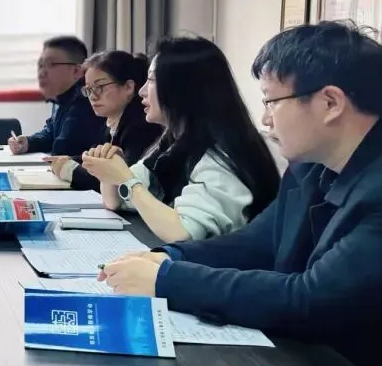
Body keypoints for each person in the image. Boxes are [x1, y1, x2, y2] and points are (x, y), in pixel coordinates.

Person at [99, 22, 382, 366]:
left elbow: (313, 300)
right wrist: (169, 257)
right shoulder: (313, 161)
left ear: (331, 103)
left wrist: (169, 280)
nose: (265, 120)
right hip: (321, 362)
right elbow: (259, 242)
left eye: (271, 102)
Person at [81, 37, 279, 242]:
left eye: (151, 80)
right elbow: (116, 202)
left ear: (182, 89)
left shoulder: (221, 154)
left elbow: (184, 232)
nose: (142, 91)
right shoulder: (174, 142)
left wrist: (126, 180)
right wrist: (111, 172)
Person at [45, 50, 162, 191]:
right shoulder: (111, 122)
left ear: (128, 87)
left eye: (99, 87)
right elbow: (97, 160)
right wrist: (70, 160)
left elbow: (123, 183)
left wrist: (69, 170)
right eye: (89, 89)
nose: (92, 96)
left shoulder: (141, 128)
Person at [8, 36, 106, 157]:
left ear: (76, 71)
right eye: (41, 65)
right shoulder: (62, 97)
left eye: (51, 64)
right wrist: (28, 143)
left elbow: (63, 150)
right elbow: (51, 133)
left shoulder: (85, 101)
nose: (42, 72)